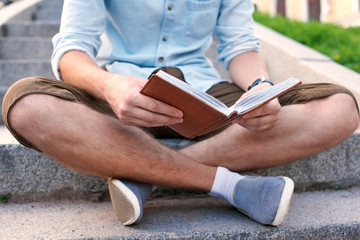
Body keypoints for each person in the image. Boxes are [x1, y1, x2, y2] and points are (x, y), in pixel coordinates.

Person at [2, 0, 359, 227]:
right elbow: (72, 50)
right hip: (125, 94)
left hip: (205, 91)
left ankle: (141, 175)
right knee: (25, 104)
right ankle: (230, 185)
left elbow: (240, 47)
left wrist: (260, 86)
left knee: (340, 108)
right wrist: (110, 87)